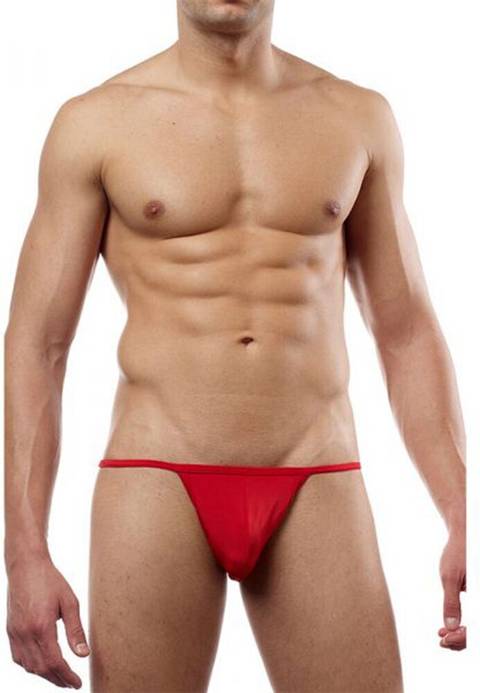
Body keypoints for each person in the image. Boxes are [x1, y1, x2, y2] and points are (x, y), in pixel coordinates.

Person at [4, 0, 467, 690]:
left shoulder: (356, 118)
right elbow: (37, 344)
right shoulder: (97, 124)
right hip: (156, 471)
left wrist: (463, 511)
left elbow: (405, 330)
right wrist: (25, 555)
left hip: (316, 468)